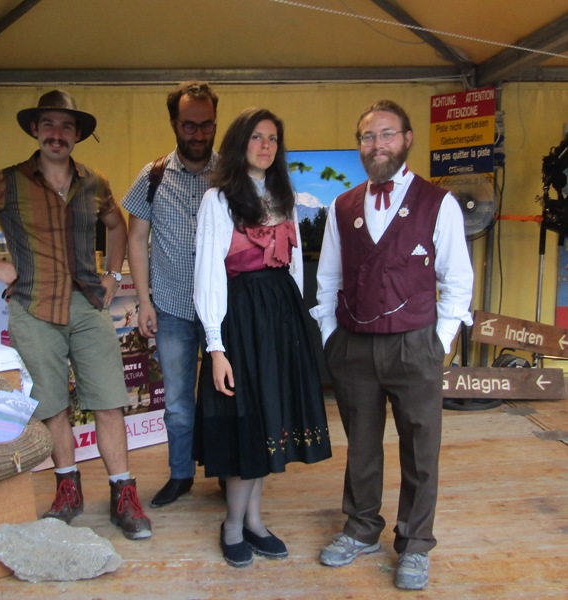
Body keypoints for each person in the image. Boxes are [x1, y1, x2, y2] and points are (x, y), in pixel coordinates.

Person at [0, 90, 151, 540]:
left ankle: (123, 494)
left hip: (88, 304)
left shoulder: (94, 182)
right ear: (35, 130)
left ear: (77, 135)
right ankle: (68, 491)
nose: (57, 134)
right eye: (49, 124)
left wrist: (114, 273)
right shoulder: (8, 181)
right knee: (52, 406)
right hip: (33, 307)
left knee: (109, 401)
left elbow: (117, 225)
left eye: (66, 126)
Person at [310, 99, 473, 589]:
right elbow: (328, 278)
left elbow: (457, 281)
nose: (376, 144)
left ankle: (415, 543)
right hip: (355, 345)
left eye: (386, 134)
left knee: (421, 448)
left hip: (415, 345)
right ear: (359, 145)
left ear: (406, 139)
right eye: (367, 136)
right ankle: (361, 528)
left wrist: (437, 342)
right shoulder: (343, 206)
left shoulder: (438, 203)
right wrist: (331, 335)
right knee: (361, 444)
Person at [193, 107, 332, 568]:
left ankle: (254, 520)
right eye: (256, 137)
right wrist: (216, 346)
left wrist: (295, 323)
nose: (266, 145)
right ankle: (232, 526)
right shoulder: (218, 200)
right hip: (240, 320)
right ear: (240, 143)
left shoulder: (282, 196)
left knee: (269, 419)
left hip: (279, 318)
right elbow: (208, 274)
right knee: (247, 423)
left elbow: (292, 266)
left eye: (272, 138)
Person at [123, 81, 219, 508]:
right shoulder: (153, 175)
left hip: (221, 310)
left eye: (206, 125)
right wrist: (144, 301)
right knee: (178, 402)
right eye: (189, 125)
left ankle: (226, 473)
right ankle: (181, 474)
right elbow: (136, 238)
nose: (198, 134)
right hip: (172, 307)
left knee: (223, 397)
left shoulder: (230, 173)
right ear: (173, 124)